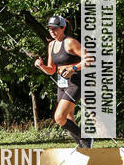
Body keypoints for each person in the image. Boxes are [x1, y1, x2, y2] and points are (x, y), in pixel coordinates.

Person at [34, 14, 93, 148]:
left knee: (59, 117)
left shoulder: (70, 42)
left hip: (75, 82)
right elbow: (51, 70)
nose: (52, 31)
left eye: (55, 28)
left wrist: (74, 68)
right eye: (50, 28)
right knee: (68, 118)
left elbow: (89, 59)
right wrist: (41, 66)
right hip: (62, 83)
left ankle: (85, 138)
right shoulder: (51, 45)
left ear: (63, 28)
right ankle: (83, 146)